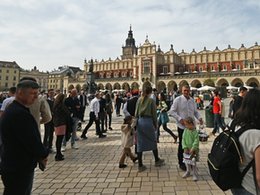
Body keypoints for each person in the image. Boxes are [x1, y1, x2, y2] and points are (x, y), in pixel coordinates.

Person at [0, 80, 48, 195]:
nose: (36, 97)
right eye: (33, 93)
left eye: (37, 94)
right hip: (19, 167)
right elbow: (31, 141)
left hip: (13, 165)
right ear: (20, 93)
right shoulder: (19, 114)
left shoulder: (14, 109)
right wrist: (43, 154)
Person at [230, 89, 260, 194]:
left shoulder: (234, 123)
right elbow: (259, 176)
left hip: (234, 182)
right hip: (249, 187)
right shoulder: (256, 134)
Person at [169, 85, 203, 171]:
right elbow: (172, 111)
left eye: (188, 91)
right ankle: (181, 163)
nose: (186, 92)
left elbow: (195, 112)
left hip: (191, 127)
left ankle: (190, 162)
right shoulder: (178, 100)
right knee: (182, 145)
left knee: (192, 145)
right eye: (185, 91)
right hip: (182, 126)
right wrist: (180, 119)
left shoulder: (192, 100)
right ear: (182, 91)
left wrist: (200, 118)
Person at [135, 83, 165, 172]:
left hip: (140, 122)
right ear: (150, 92)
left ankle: (140, 165)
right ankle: (157, 160)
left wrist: (136, 123)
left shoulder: (139, 100)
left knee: (140, 143)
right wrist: (155, 125)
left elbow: (136, 113)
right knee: (153, 140)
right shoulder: (151, 101)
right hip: (148, 122)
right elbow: (154, 114)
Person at [53, 93, 71, 161]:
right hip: (61, 123)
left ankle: (59, 153)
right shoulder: (61, 106)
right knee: (59, 139)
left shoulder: (55, 105)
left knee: (59, 139)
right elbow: (67, 113)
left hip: (57, 123)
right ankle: (58, 154)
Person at [182, 117, 199, 181]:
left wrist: (193, 148)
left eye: (187, 124)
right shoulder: (185, 130)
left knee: (193, 161)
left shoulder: (195, 132)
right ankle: (188, 171)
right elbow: (183, 139)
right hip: (186, 150)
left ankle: (194, 173)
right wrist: (185, 147)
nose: (186, 126)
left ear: (191, 124)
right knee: (187, 161)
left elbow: (196, 141)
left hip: (193, 150)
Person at [43, 89, 55, 153]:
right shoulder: (46, 101)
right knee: (46, 133)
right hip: (47, 119)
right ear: (48, 94)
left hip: (53, 119)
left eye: (53, 93)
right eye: (51, 93)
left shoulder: (55, 100)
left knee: (51, 133)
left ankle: (50, 146)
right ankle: (44, 146)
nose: (52, 94)